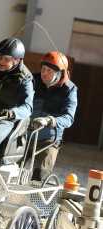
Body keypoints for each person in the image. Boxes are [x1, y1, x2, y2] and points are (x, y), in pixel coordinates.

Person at [31, 51, 78, 180]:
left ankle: (36, 197)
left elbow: (69, 118)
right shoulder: (33, 80)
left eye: (49, 71)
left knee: (40, 175)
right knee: (6, 162)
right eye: (43, 69)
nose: (44, 73)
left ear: (59, 74)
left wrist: (49, 120)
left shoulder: (70, 89)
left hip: (49, 139)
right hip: (26, 133)